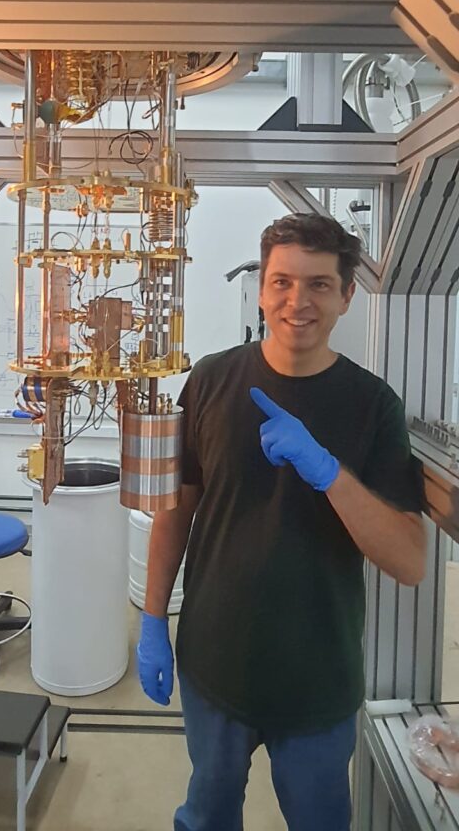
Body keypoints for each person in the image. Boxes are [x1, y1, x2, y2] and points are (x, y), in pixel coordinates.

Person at [136, 213, 426, 831]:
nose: (298, 302)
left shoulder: (374, 405)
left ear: (347, 295)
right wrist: (153, 618)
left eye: (319, 284)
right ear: (262, 288)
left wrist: (328, 472)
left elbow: (408, 561)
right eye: (282, 283)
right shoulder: (211, 380)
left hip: (318, 678)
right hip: (216, 663)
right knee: (207, 815)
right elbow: (176, 509)